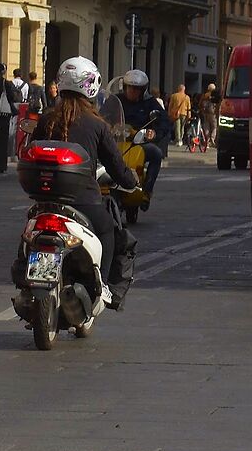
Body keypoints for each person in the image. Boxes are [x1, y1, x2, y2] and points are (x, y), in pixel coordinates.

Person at [40, 56, 139, 308]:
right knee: (108, 230)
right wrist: (131, 180)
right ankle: (102, 286)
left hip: (45, 200)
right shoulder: (97, 124)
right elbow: (117, 167)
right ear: (91, 86)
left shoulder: (46, 119)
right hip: (82, 200)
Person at [102, 67, 173, 197]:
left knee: (156, 153)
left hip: (139, 142)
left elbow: (164, 121)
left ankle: (147, 190)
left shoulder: (150, 103)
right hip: (117, 141)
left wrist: (154, 133)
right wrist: (108, 126)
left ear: (142, 90)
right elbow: (103, 116)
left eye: (136, 89)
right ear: (125, 87)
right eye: (130, 88)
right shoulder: (115, 100)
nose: (133, 91)